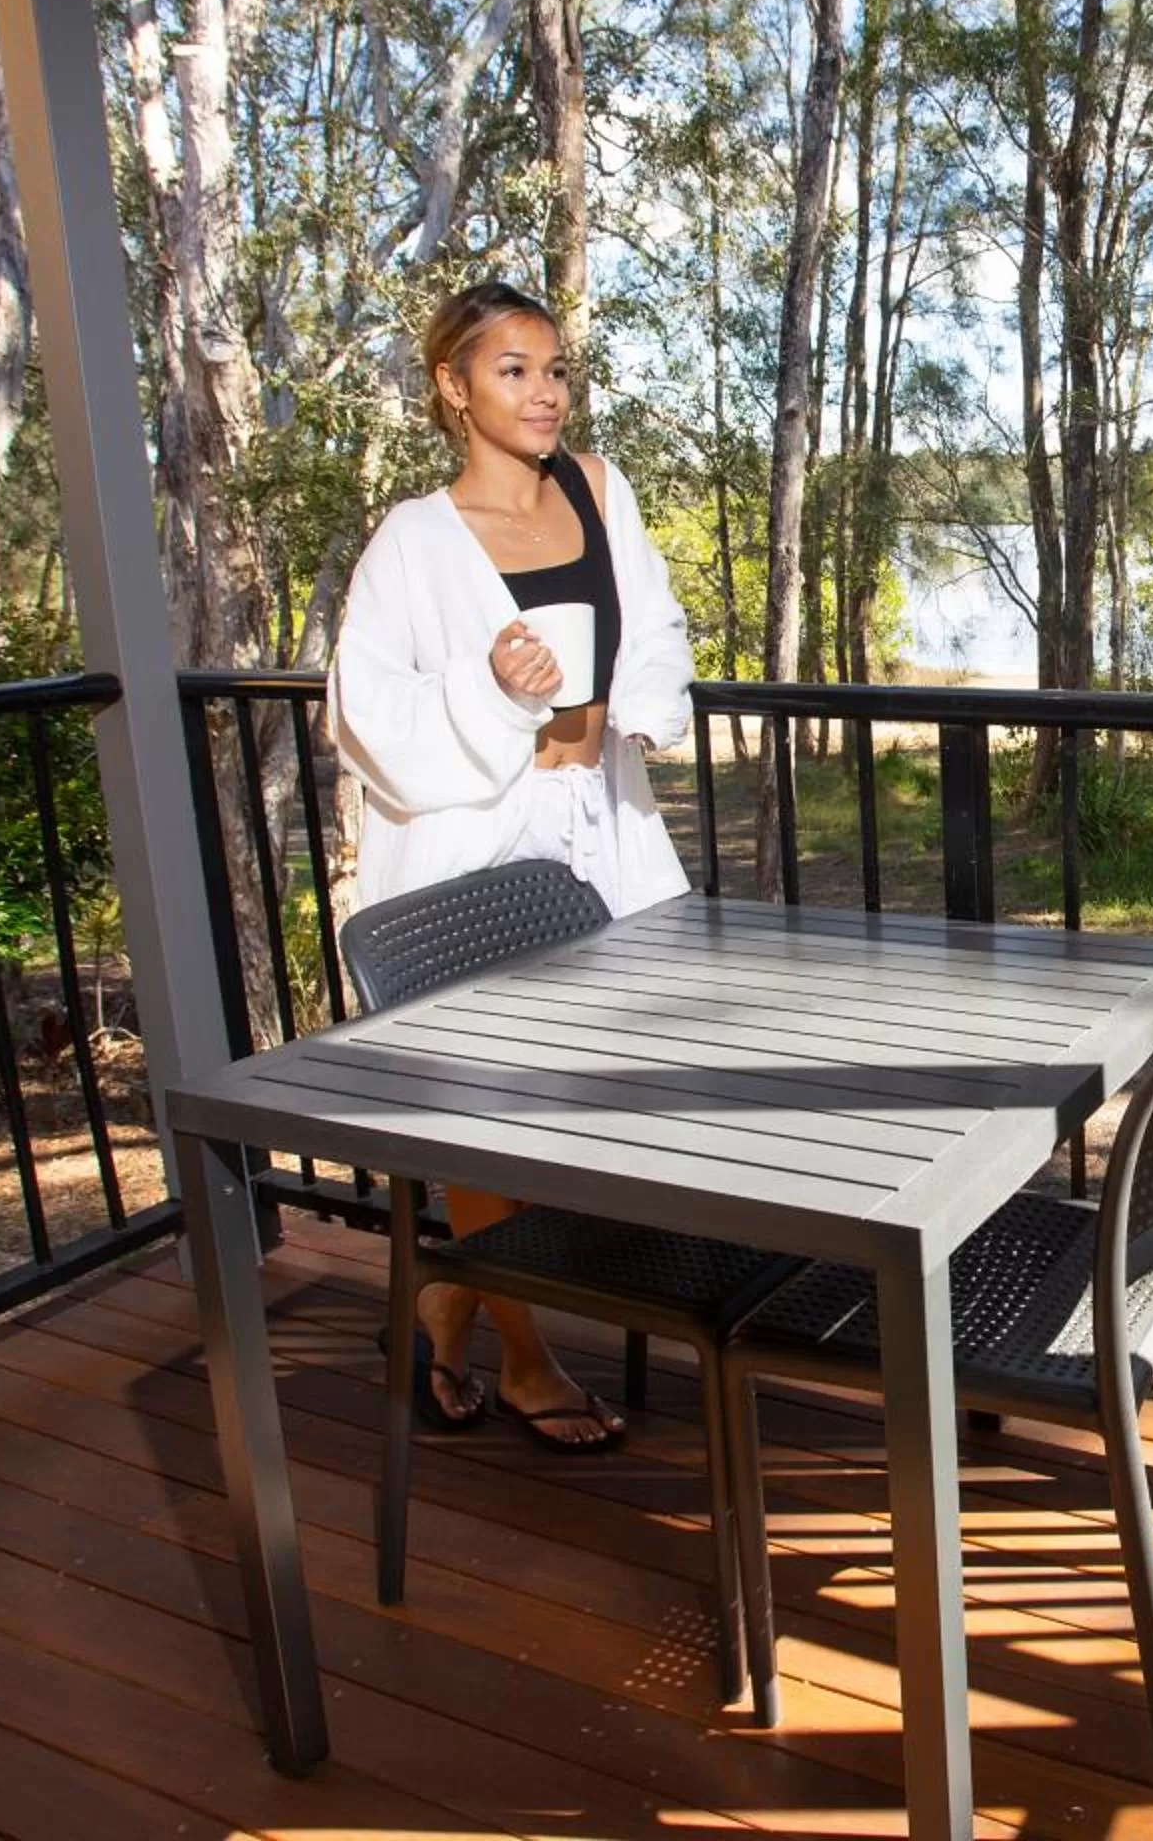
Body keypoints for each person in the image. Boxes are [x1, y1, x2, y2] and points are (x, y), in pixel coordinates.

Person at [329, 280, 695, 1450]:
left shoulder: (597, 487)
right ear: (454, 386)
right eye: (512, 370)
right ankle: (531, 1360)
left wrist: (637, 708)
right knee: (491, 1109)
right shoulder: (413, 540)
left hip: (598, 815)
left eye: (552, 368)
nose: (543, 391)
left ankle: (446, 1302)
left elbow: (654, 621)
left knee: (613, 1093)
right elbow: (365, 703)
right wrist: (491, 685)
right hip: (477, 835)